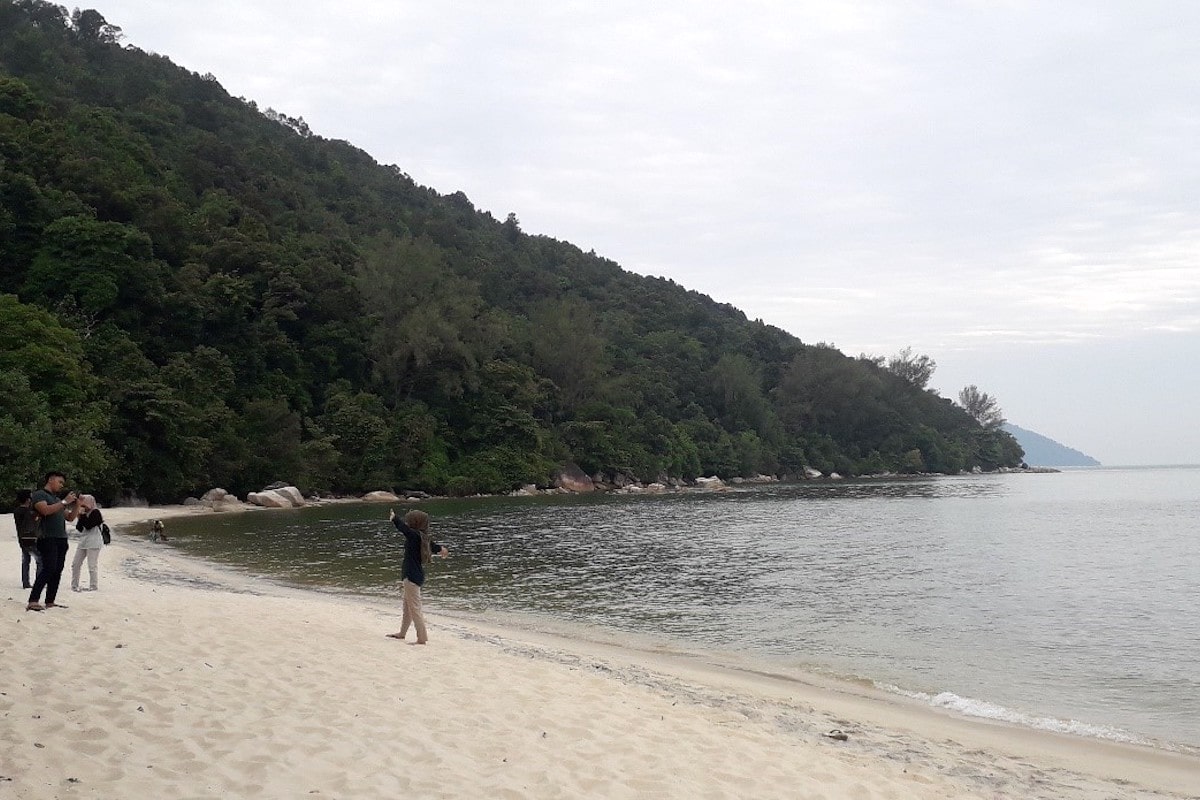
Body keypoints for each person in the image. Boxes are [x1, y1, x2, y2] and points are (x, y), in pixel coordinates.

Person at [386, 508, 449, 644]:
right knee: (407, 608)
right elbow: (435, 547)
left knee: (414, 609)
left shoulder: (415, 536)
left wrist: (394, 518)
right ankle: (402, 633)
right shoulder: (422, 537)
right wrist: (442, 550)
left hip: (411, 576)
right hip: (414, 575)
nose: (408, 522)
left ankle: (422, 638)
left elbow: (404, 529)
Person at [27, 471, 79, 611]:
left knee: (57, 570)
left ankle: (50, 600)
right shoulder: (40, 495)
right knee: (48, 568)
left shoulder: (56, 499)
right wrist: (64, 502)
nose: (61, 485)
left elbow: (70, 518)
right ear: (50, 480)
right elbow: (44, 510)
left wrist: (76, 505)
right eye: (60, 482)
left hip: (61, 538)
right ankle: (33, 600)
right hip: (47, 537)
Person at [70, 495, 104, 592]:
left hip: (94, 541)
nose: (83, 506)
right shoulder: (83, 514)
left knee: (92, 565)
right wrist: (80, 516)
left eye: (85, 504)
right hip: (83, 541)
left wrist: (83, 515)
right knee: (75, 564)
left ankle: (93, 586)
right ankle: (74, 584)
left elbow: (89, 525)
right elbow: (79, 528)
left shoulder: (96, 513)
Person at [14, 489, 41, 589]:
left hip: (22, 538)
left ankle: (25, 582)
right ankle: (39, 582)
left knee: (26, 560)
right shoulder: (30, 512)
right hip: (31, 538)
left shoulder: (17, 511)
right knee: (39, 560)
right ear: (28, 499)